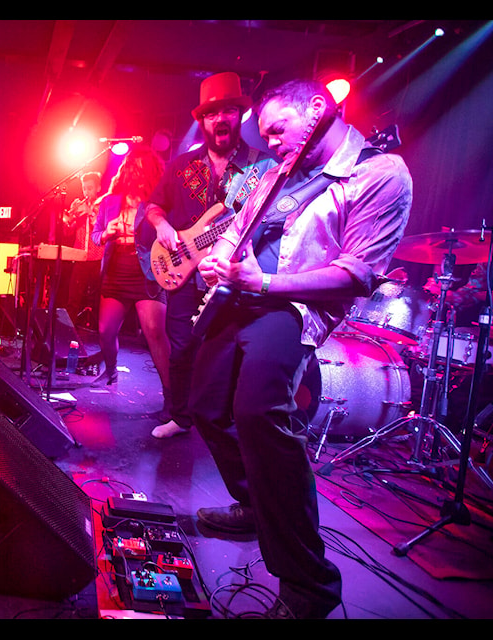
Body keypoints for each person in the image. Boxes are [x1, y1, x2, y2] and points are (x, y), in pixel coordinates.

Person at [191, 78, 413, 618]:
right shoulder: (274, 174)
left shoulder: (380, 173)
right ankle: (254, 505)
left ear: (317, 108)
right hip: (238, 295)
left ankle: (309, 586)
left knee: (259, 412)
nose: (269, 142)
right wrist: (217, 257)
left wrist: (260, 284)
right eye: (263, 134)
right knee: (204, 405)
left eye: (276, 128)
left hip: (288, 307)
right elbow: (236, 228)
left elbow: (357, 276)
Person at [139, 71, 278, 438]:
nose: (220, 119)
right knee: (181, 347)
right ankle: (181, 417)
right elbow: (153, 206)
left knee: (228, 352)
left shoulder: (263, 167)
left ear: (239, 116)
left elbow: (275, 220)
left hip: (233, 274)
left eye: (228, 111)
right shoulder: (181, 165)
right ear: (201, 121)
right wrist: (163, 226)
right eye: (212, 113)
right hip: (183, 267)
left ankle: (223, 423)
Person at [90, 146, 171, 394]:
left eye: (139, 169)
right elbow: (95, 236)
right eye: (130, 167)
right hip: (116, 270)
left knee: (155, 333)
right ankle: (111, 370)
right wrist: (106, 234)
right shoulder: (109, 202)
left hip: (148, 272)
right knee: (105, 331)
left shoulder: (158, 203)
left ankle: (171, 395)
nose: (133, 173)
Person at [64, 172, 105, 328]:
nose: (86, 192)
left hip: (98, 257)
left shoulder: (103, 205)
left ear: (98, 188)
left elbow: (103, 229)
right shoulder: (78, 205)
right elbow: (68, 231)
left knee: (98, 300)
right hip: (80, 256)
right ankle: (69, 331)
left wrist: (89, 213)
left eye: (90, 188)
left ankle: (98, 333)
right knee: (73, 298)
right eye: (84, 188)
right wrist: (72, 218)